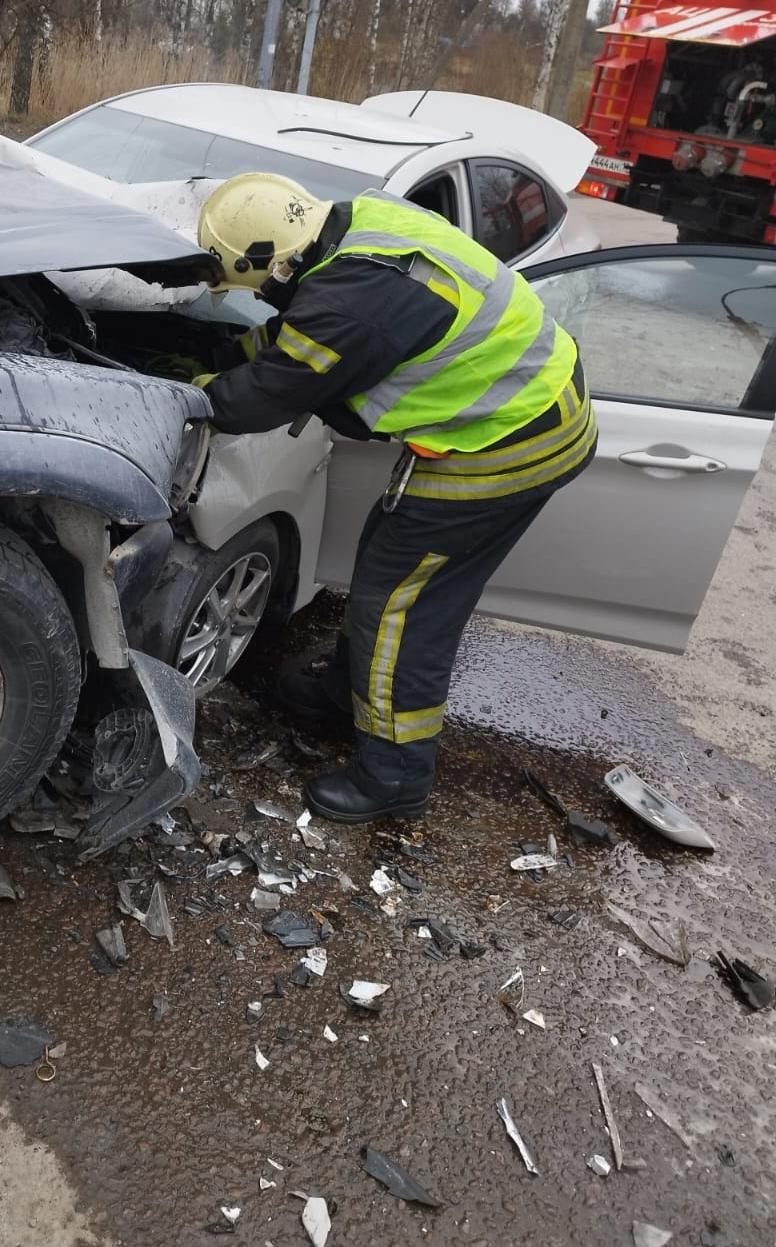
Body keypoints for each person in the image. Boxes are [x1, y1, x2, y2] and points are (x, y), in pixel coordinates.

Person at [195, 172, 597, 826]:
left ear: (277, 260)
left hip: (505, 444)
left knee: (399, 611)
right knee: (390, 566)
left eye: (255, 286)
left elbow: (266, 394)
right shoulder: (364, 220)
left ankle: (395, 778)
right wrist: (222, 350)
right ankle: (342, 694)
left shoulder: (349, 303)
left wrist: (198, 390)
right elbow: (300, 337)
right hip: (536, 406)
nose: (261, 298)